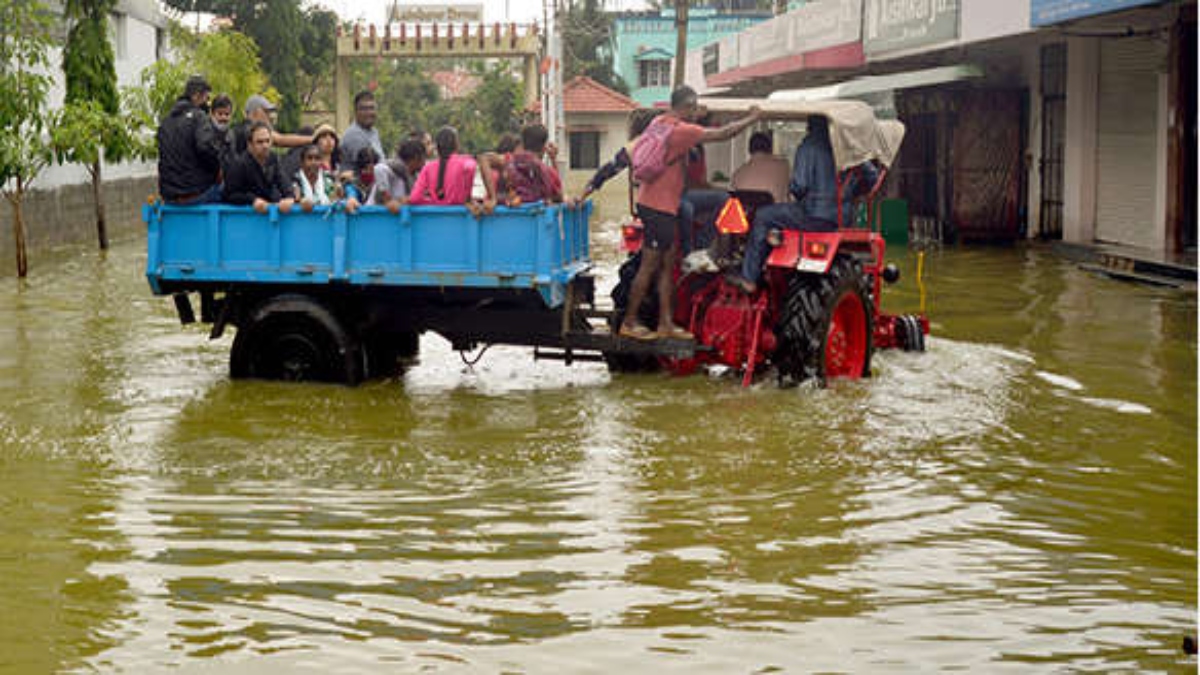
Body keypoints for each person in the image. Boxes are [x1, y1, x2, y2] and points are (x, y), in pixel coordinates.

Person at [617, 86, 760, 341]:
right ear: (688, 108)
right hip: (660, 206)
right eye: (694, 109)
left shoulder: (659, 122)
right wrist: (752, 118)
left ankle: (665, 323)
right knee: (650, 266)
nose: (696, 113)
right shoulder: (682, 132)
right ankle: (629, 321)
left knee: (667, 264)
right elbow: (724, 133)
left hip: (654, 203)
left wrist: (698, 116)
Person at [729, 116, 879, 294]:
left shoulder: (809, 146)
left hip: (812, 215)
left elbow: (799, 186)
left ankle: (749, 277)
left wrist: (796, 192)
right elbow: (871, 177)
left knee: (764, 215)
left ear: (810, 126)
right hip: (842, 219)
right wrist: (850, 193)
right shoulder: (849, 145)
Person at [156, 74, 222, 204]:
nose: (208, 104)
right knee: (234, 190)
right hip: (197, 194)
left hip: (170, 197)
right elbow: (206, 147)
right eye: (206, 98)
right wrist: (218, 168)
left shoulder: (166, 121)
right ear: (196, 96)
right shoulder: (199, 117)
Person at [577, 108, 663, 200]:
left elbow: (606, 171)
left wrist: (582, 195)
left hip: (647, 203)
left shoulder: (633, 147)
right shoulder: (667, 142)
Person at [409, 126, 495, 213]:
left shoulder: (427, 167)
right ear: (456, 145)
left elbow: (415, 198)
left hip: (435, 219)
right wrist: (470, 199)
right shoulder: (465, 162)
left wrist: (433, 203)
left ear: (438, 147)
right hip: (461, 217)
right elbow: (474, 166)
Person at [222, 121, 296, 214]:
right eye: (259, 142)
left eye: (267, 141)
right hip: (245, 216)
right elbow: (230, 194)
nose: (265, 146)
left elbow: (283, 180)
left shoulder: (273, 158)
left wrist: (289, 197)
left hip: (267, 211)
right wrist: (253, 200)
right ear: (250, 145)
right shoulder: (239, 164)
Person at [480, 124, 562, 205]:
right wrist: (553, 159)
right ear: (544, 148)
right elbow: (559, 195)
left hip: (505, 214)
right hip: (535, 215)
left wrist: (492, 198)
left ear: (522, 144)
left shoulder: (510, 161)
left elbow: (484, 158)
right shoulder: (547, 171)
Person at [231, 95, 312, 155]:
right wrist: (313, 139)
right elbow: (282, 140)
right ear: (256, 112)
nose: (270, 116)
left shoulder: (238, 128)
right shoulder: (251, 129)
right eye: (266, 111)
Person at [731, 130, 790, 204]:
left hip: (747, 215)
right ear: (770, 148)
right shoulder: (783, 166)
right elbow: (787, 195)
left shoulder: (737, 174)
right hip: (774, 214)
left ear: (749, 149)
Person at [371, 138, 426, 212]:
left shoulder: (414, 176)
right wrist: (388, 200)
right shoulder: (397, 166)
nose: (424, 162)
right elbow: (379, 169)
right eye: (423, 158)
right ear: (416, 158)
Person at [340, 91, 385, 166]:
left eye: (372, 108)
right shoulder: (354, 135)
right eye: (364, 109)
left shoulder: (373, 132)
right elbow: (370, 166)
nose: (369, 112)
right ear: (356, 112)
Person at [293, 144, 339, 210]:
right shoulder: (295, 179)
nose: (313, 162)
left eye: (317, 158)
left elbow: (334, 199)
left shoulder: (329, 177)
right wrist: (300, 201)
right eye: (309, 158)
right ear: (302, 162)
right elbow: (295, 199)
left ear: (321, 161)